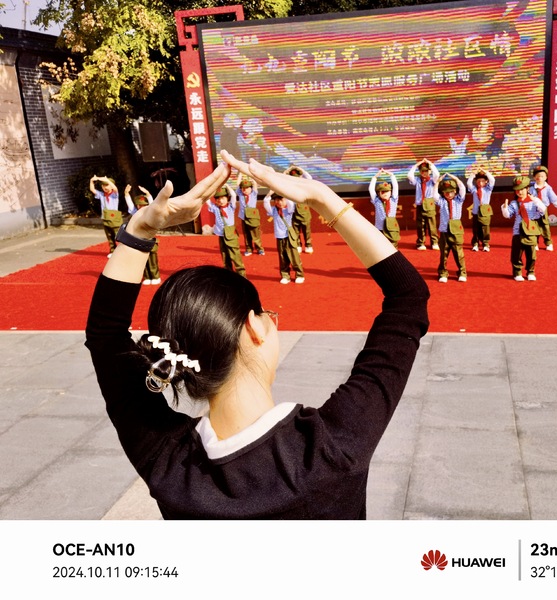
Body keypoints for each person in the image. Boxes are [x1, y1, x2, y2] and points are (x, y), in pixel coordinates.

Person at [85, 150, 430, 519]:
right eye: (268, 315)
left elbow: (105, 335)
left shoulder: (169, 464)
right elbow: (408, 295)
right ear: (254, 327)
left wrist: (140, 230)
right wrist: (321, 197)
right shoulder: (331, 448)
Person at [501, 176, 546, 281]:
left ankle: (530, 272)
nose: (519, 192)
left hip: (531, 231)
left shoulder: (534, 201)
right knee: (516, 254)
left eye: (522, 189)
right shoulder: (514, 203)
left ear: (527, 189)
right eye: (517, 190)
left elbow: (543, 210)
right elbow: (507, 215)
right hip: (518, 232)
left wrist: (535, 200)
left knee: (532, 255)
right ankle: (517, 273)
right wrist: (504, 208)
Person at [263, 191, 305, 284]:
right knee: (282, 258)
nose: (279, 202)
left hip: (289, 237)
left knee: (294, 257)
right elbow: (266, 204)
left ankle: (299, 275)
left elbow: (290, 203)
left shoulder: (289, 209)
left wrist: (284, 192)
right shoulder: (274, 210)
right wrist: (269, 194)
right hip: (279, 237)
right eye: (276, 200)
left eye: (281, 200)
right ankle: (285, 275)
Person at [205, 184, 246, 277]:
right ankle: (228, 272)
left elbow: (234, 195)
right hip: (221, 235)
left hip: (231, 234)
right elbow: (207, 200)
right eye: (218, 199)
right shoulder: (215, 208)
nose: (220, 200)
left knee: (235, 255)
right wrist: (211, 189)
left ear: (227, 198)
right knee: (225, 255)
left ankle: (242, 274)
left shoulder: (231, 207)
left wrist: (227, 186)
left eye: (223, 198)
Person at [124, 185, 161, 285]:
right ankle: (147, 276)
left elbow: (153, 204)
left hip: (150, 239)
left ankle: (155, 276)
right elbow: (130, 205)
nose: (141, 207)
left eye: (143, 205)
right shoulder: (135, 213)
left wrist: (148, 194)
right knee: (142, 260)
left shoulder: (151, 213)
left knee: (152, 260)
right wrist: (126, 194)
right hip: (139, 240)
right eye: (139, 205)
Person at [434, 173, 467, 283]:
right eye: (446, 192)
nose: (448, 194)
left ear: (455, 191)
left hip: (456, 231)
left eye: (451, 191)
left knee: (459, 253)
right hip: (444, 231)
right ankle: (443, 273)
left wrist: (456, 179)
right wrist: (437, 182)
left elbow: (462, 188)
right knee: (444, 254)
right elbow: (435, 196)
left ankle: (462, 272)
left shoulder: (459, 200)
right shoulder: (442, 202)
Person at [529, 165, 557, 251]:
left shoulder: (548, 188)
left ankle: (548, 243)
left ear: (546, 177)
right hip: (533, 210)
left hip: (544, 210)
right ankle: (535, 243)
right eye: (537, 176)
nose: (540, 178)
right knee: (534, 226)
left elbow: (553, 197)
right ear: (534, 177)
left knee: (545, 227)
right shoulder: (531, 188)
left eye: (542, 176)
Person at [407, 159, 439, 250]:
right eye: (422, 171)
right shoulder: (417, 180)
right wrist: (416, 165)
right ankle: (421, 243)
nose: (424, 173)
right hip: (420, 205)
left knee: (432, 225)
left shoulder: (432, 180)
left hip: (430, 204)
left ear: (429, 171)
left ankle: (434, 242)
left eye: (426, 171)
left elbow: (437, 174)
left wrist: (431, 164)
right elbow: (409, 175)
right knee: (420, 225)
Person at [90, 175, 122, 257]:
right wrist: (91, 181)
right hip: (106, 218)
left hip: (115, 219)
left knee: (118, 236)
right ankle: (113, 251)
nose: (105, 187)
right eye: (103, 185)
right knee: (110, 236)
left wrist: (107, 180)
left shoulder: (114, 194)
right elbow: (92, 190)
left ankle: (122, 251)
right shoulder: (102, 195)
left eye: (107, 185)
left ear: (111, 186)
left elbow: (115, 189)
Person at [285, 165, 314, 253]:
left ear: (300, 177)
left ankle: (308, 245)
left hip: (304, 211)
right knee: (295, 230)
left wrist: (301, 170)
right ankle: (298, 245)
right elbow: (281, 179)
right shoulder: (289, 187)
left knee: (306, 230)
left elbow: (309, 178)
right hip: (293, 211)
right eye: (293, 178)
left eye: (297, 178)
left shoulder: (304, 186)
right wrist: (287, 171)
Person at [368, 168, 400, 248]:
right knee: (381, 247)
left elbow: (396, 187)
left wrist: (391, 175)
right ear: (379, 193)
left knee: (393, 246)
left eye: (387, 191)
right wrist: (375, 177)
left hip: (391, 228)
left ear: (391, 192)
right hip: (380, 227)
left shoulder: (393, 200)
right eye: (382, 192)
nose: (385, 193)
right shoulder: (377, 201)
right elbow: (371, 189)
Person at [466, 168, 495, 252]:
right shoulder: (474, 189)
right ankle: (475, 244)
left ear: (486, 181)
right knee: (476, 229)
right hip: (476, 212)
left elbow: (492, 180)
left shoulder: (488, 189)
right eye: (478, 181)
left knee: (485, 229)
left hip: (485, 212)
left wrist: (486, 172)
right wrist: (472, 174)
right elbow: (468, 183)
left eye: (482, 181)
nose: (480, 183)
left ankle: (486, 244)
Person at [237, 177, 265, 256]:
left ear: (251, 188)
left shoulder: (253, 194)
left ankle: (259, 249)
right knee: (247, 234)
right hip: (244, 217)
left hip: (253, 218)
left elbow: (255, 185)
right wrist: (240, 175)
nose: (245, 190)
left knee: (256, 234)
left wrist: (253, 177)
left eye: (247, 188)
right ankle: (249, 249)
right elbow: (238, 184)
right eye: (243, 188)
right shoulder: (240, 194)